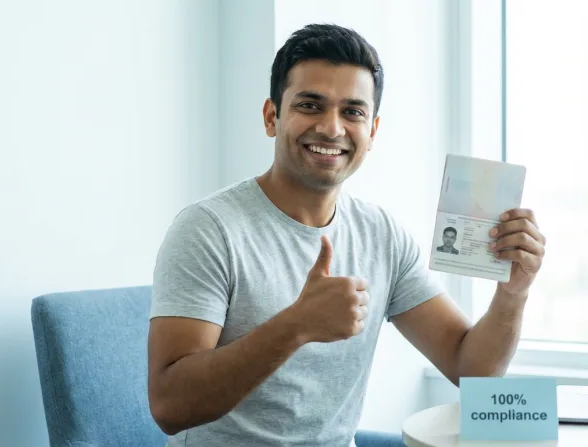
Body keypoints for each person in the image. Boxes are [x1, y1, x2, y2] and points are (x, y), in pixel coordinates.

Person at [146, 24, 546, 447]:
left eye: (352, 111)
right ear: (271, 117)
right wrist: (296, 325)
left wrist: (513, 292)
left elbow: (472, 370)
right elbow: (170, 407)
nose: (332, 128)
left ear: (371, 131)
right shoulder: (208, 230)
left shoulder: (382, 236)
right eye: (310, 105)